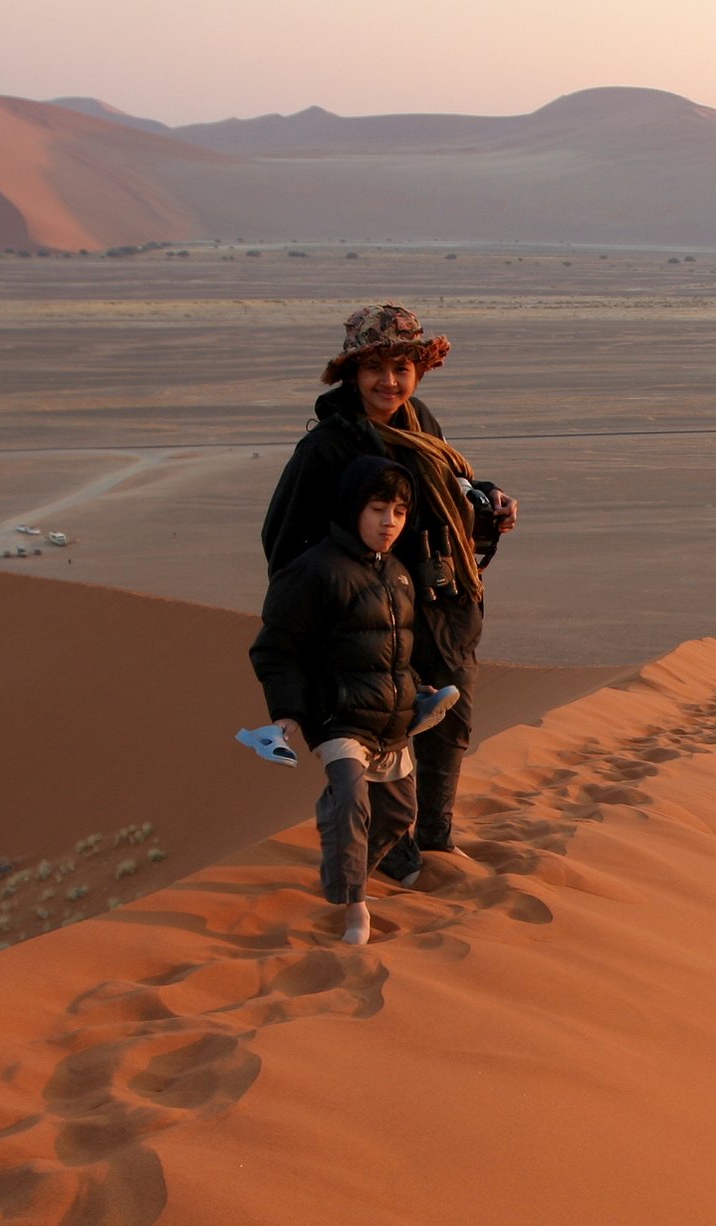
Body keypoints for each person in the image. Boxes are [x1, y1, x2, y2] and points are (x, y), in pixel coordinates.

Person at [262, 303, 516, 884]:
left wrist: (489, 499)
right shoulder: (329, 447)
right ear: (352, 374)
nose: (389, 381)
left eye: (402, 368)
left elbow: (446, 489)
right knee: (387, 730)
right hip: (371, 616)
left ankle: (436, 838)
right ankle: (395, 856)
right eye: (375, 368)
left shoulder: (419, 422)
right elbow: (285, 542)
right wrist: (332, 607)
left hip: (445, 602)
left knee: (451, 724)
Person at [250, 456, 426, 944]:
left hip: (391, 719)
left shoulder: (398, 573)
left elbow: (395, 651)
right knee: (349, 799)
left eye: (399, 512)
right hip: (337, 713)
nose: (389, 522)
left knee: (399, 814)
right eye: (377, 509)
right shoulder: (314, 571)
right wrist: (287, 714)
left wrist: (420, 689)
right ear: (353, 508)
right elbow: (276, 648)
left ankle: (350, 874)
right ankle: (354, 911)